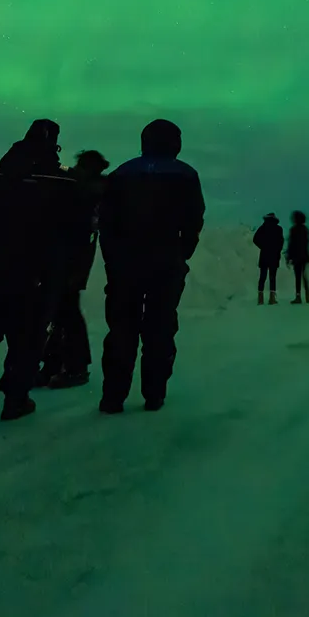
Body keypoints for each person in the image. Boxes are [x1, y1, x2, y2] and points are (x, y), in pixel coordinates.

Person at [0, 120, 87, 423]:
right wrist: (64, 275)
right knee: (26, 342)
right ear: (55, 145)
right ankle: (15, 400)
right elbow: (77, 235)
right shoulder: (63, 184)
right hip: (37, 281)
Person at [99, 118, 206, 413]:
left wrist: (113, 258)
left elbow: (105, 222)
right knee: (160, 327)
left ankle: (113, 396)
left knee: (121, 328)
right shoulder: (185, 174)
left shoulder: (122, 173)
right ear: (175, 143)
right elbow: (194, 219)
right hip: (166, 264)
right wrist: (182, 253)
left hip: (125, 265)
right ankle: (154, 393)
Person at [39, 149, 110, 389]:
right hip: (74, 261)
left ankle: (71, 367)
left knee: (64, 314)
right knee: (64, 313)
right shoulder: (96, 191)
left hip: (67, 260)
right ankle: (60, 366)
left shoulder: (80, 190)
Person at [254, 212, 285, 305]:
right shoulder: (279, 229)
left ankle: (260, 298)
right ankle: (272, 298)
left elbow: (255, 239)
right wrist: (277, 250)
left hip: (264, 255)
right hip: (274, 256)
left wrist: (263, 246)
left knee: (262, 277)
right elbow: (281, 242)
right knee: (272, 277)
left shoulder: (262, 228)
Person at [287, 210, 309, 303]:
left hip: (296, 256)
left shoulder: (293, 230)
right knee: (304, 276)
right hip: (304, 256)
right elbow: (306, 242)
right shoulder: (305, 229)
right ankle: (307, 295)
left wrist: (289, 257)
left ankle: (298, 296)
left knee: (298, 277)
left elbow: (291, 244)